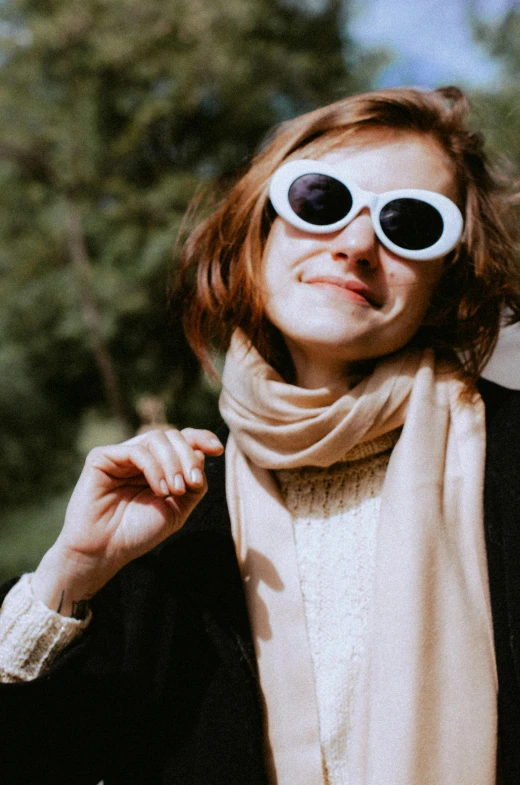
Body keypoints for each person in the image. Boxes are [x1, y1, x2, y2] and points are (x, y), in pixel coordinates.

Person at [0, 86, 520, 785]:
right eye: (321, 200)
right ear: (261, 229)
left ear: (445, 280)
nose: (357, 244)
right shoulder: (171, 510)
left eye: (410, 223)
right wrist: (73, 573)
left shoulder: (508, 459)